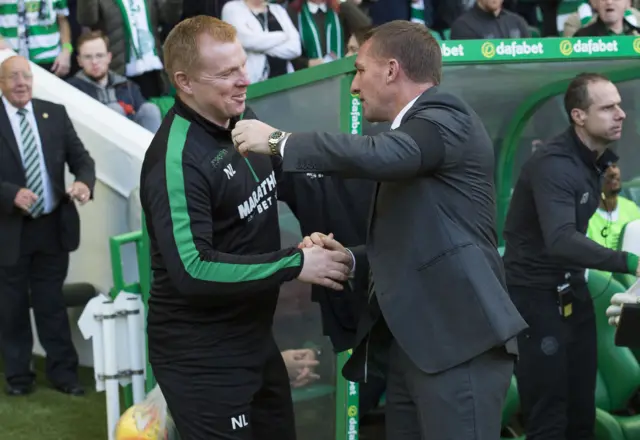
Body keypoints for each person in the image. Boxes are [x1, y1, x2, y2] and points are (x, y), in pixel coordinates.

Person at [231, 20, 527, 440]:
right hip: (417, 351)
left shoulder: (444, 115)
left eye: (359, 70)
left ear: (391, 70)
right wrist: (350, 258)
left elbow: (384, 155)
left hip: (458, 346)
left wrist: (280, 141)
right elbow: (417, 243)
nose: (354, 85)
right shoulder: (411, 135)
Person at [139, 15, 351, 440]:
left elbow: (291, 185)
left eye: (242, 65)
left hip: (254, 337)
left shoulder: (242, 119)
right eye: (226, 73)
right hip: (201, 356)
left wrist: (320, 240)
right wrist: (295, 264)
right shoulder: (174, 160)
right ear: (184, 81)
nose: (243, 80)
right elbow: (193, 269)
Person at [502, 73, 640, 440]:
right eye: (608, 107)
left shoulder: (594, 162)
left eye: (620, 105)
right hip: (534, 297)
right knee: (549, 415)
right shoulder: (554, 164)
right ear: (579, 116)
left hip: (572, 291)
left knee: (581, 411)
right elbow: (561, 239)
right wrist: (630, 262)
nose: (620, 114)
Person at [0, 55, 95, 396]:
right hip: (9, 230)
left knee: (51, 303)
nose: (22, 82)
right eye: (13, 77)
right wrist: (9, 193)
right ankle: (18, 378)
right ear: (1, 82)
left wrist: (85, 183)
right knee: (10, 308)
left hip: (52, 226)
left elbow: (82, 160)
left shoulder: (53, 113)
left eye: (26, 76)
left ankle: (64, 375)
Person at [67, 30, 162, 133]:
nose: (94, 62)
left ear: (109, 57)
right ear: (79, 61)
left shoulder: (127, 85)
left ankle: (158, 149)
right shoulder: (71, 88)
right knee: (114, 110)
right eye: (88, 57)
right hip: (93, 140)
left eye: (99, 55)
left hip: (133, 142)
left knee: (150, 109)